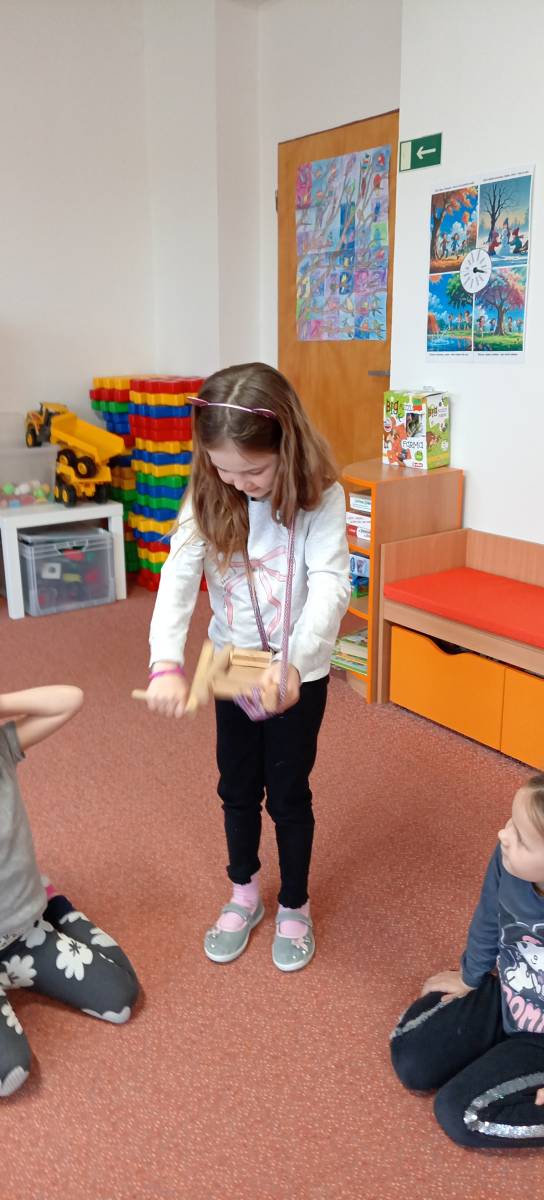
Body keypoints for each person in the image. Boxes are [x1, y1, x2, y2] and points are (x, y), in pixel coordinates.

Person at [144, 362, 350, 972]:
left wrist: (296, 664)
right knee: (235, 786)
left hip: (295, 674)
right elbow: (178, 577)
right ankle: (243, 893)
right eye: (223, 468)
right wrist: (165, 662)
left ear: (287, 444)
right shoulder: (210, 493)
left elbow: (332, 585)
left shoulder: (322, 497)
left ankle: (294, 903)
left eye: (252, 471)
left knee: (288, 791)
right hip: (232, 662)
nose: (237, 483)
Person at [0, 685, 139, 1097]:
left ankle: (57, 907)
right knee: (10, 1073)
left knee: (121, 998)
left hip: (23, 930)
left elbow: (70, 699)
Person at [390, 775, 544, 1149]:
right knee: (412, 1059)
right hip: (509, 996)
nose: (503, 835)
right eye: (510, 822)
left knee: (459, 1113)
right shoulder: (508, 862)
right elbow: (489, 915)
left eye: (521, 838)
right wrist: (470, 976)